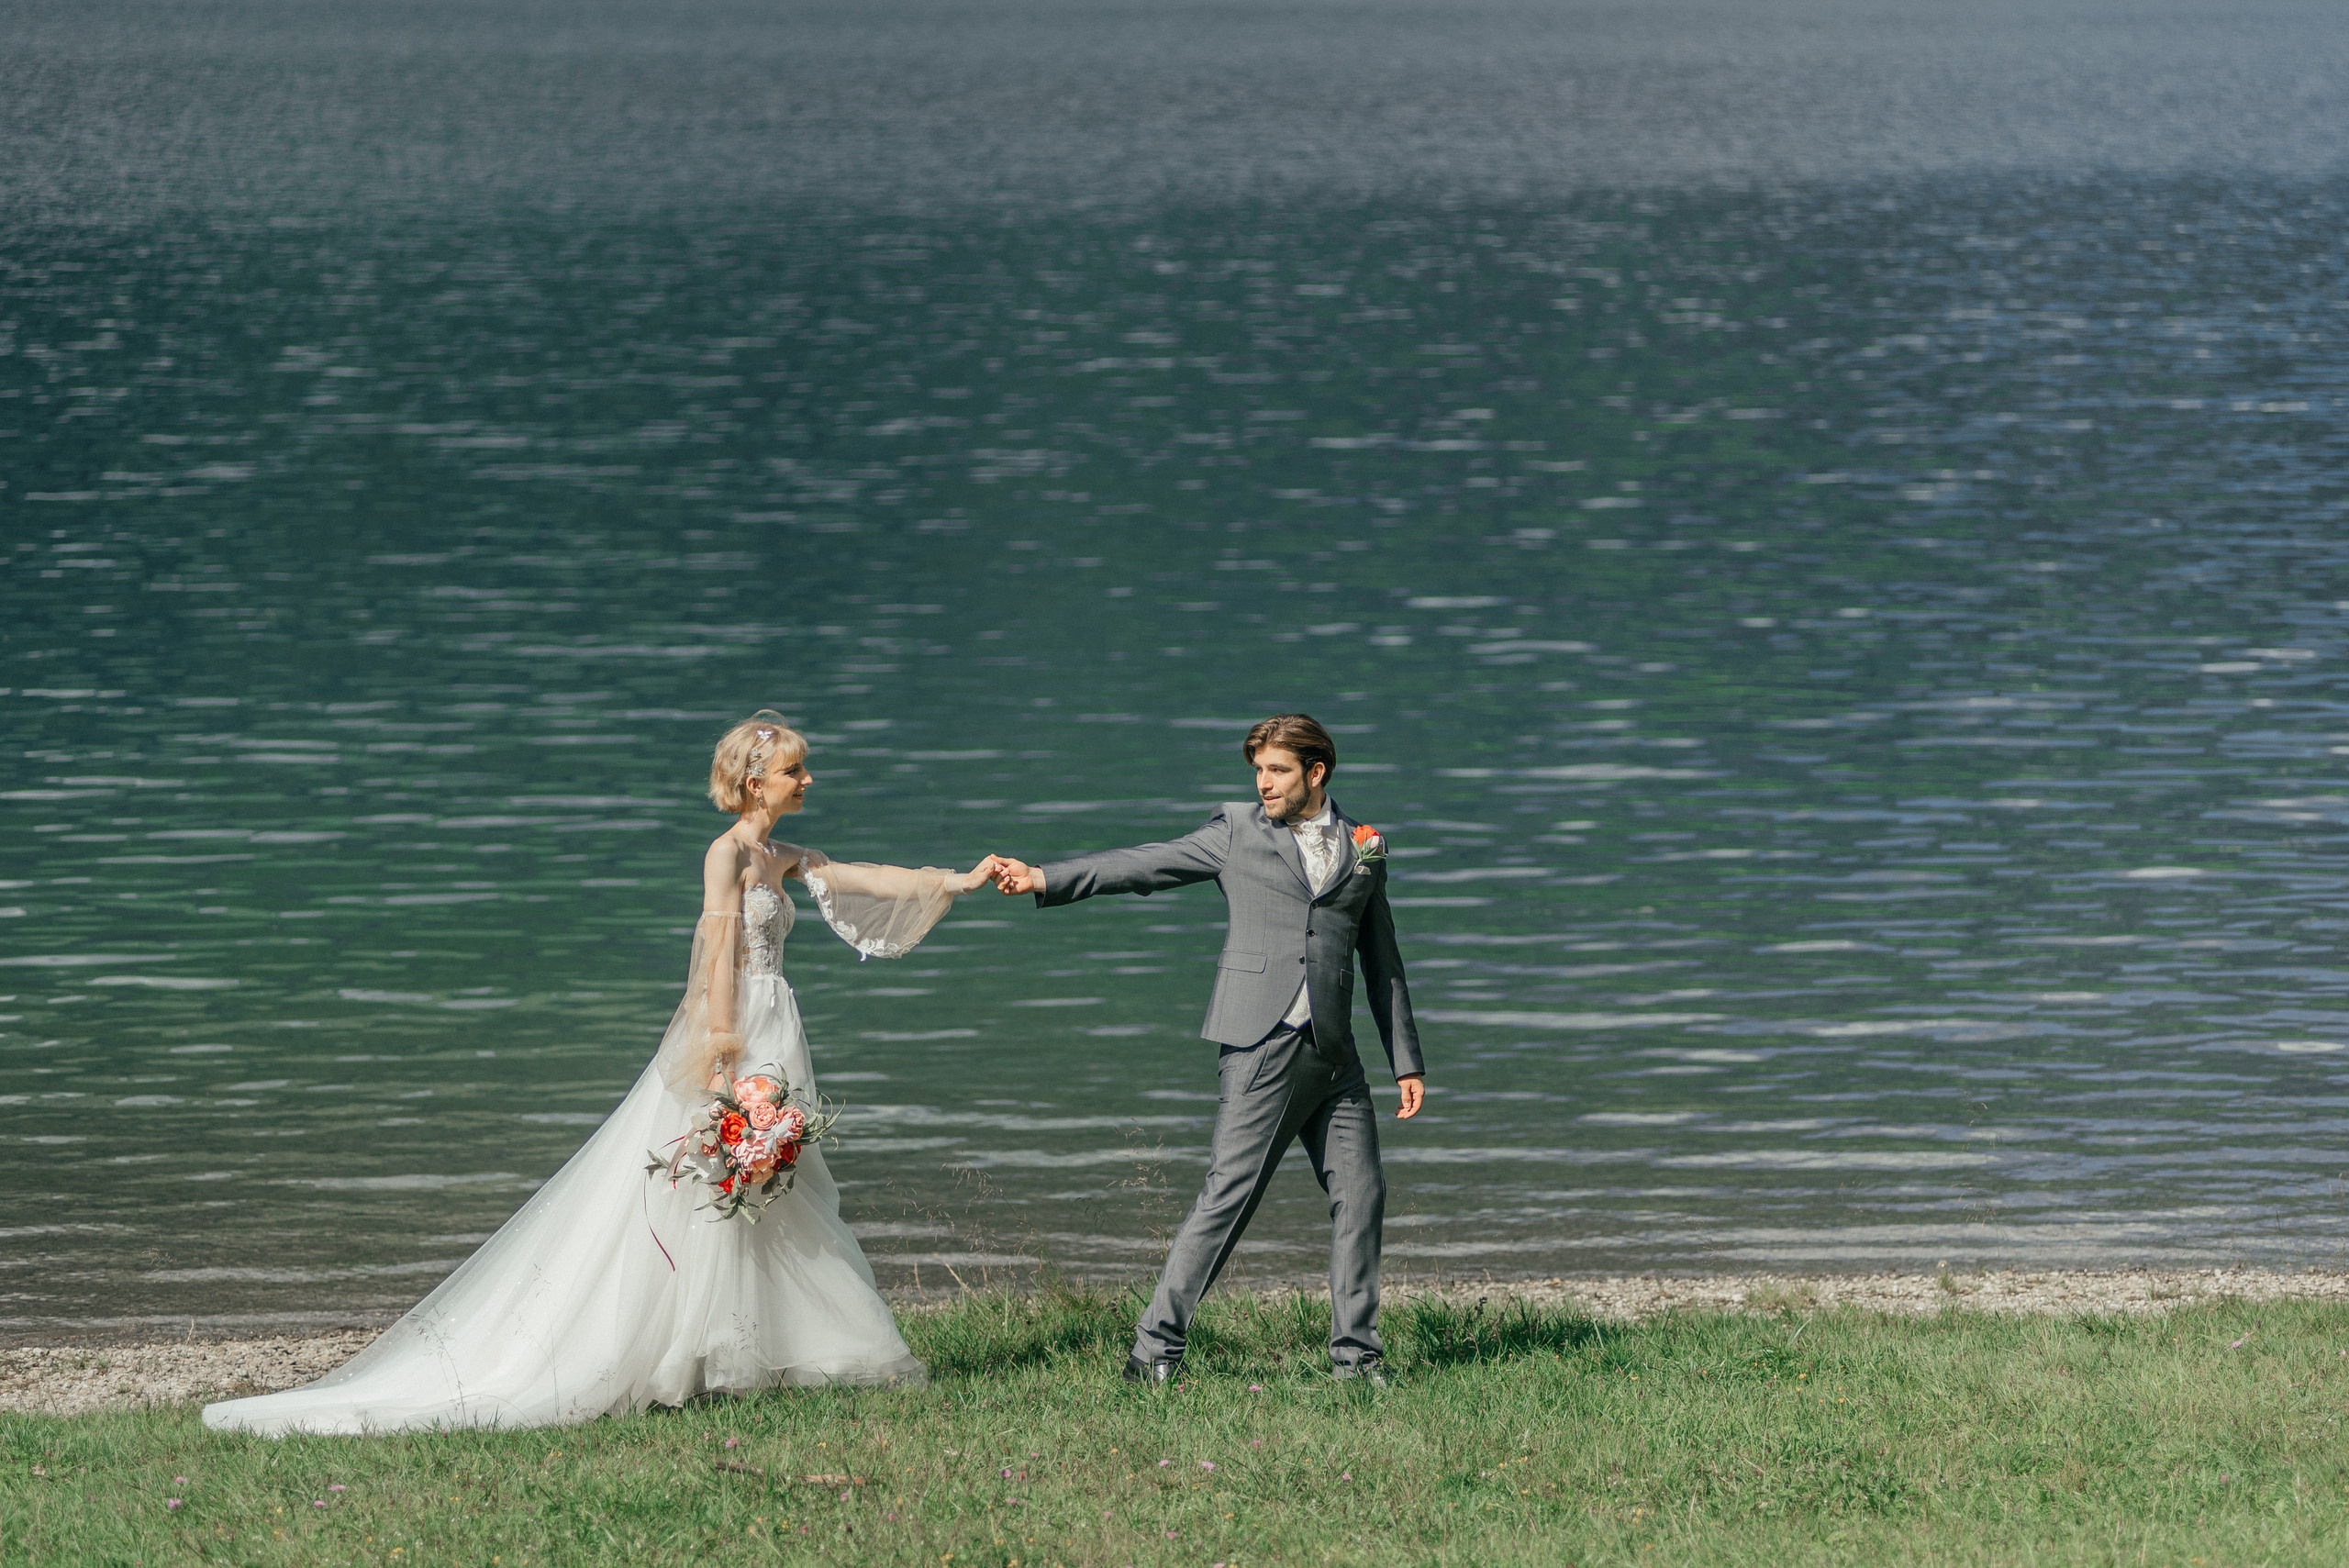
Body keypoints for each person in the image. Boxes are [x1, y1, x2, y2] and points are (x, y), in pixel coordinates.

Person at [203, 711, 999, 1436]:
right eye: (797, 770)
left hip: (775, 1026)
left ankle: (755, 1351)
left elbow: (861, 874)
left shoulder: (778, 855)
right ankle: (680, 1351)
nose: (809, 780)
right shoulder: (727, 855)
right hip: (736, 1031)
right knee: (712, 1173)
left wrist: (955, 880)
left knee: (777, 1187)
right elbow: (715, 951)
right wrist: (722, 1051)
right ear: (757, 781)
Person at [989, 712, 1424, 1385]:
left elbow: (1382, 957)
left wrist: (1407, 1059)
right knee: (1228, 1196)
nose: (1263, 783)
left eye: (1277, 769)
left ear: (1317, 772)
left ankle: (1357, 1359)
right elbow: (1146, 865)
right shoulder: (1236, 830)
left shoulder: (1364, 844)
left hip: (1338, 1057)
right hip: (1261, 1045)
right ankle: (1154, 1350)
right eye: (1257, 770)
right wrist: (1045, 876)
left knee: (1363, 1194)